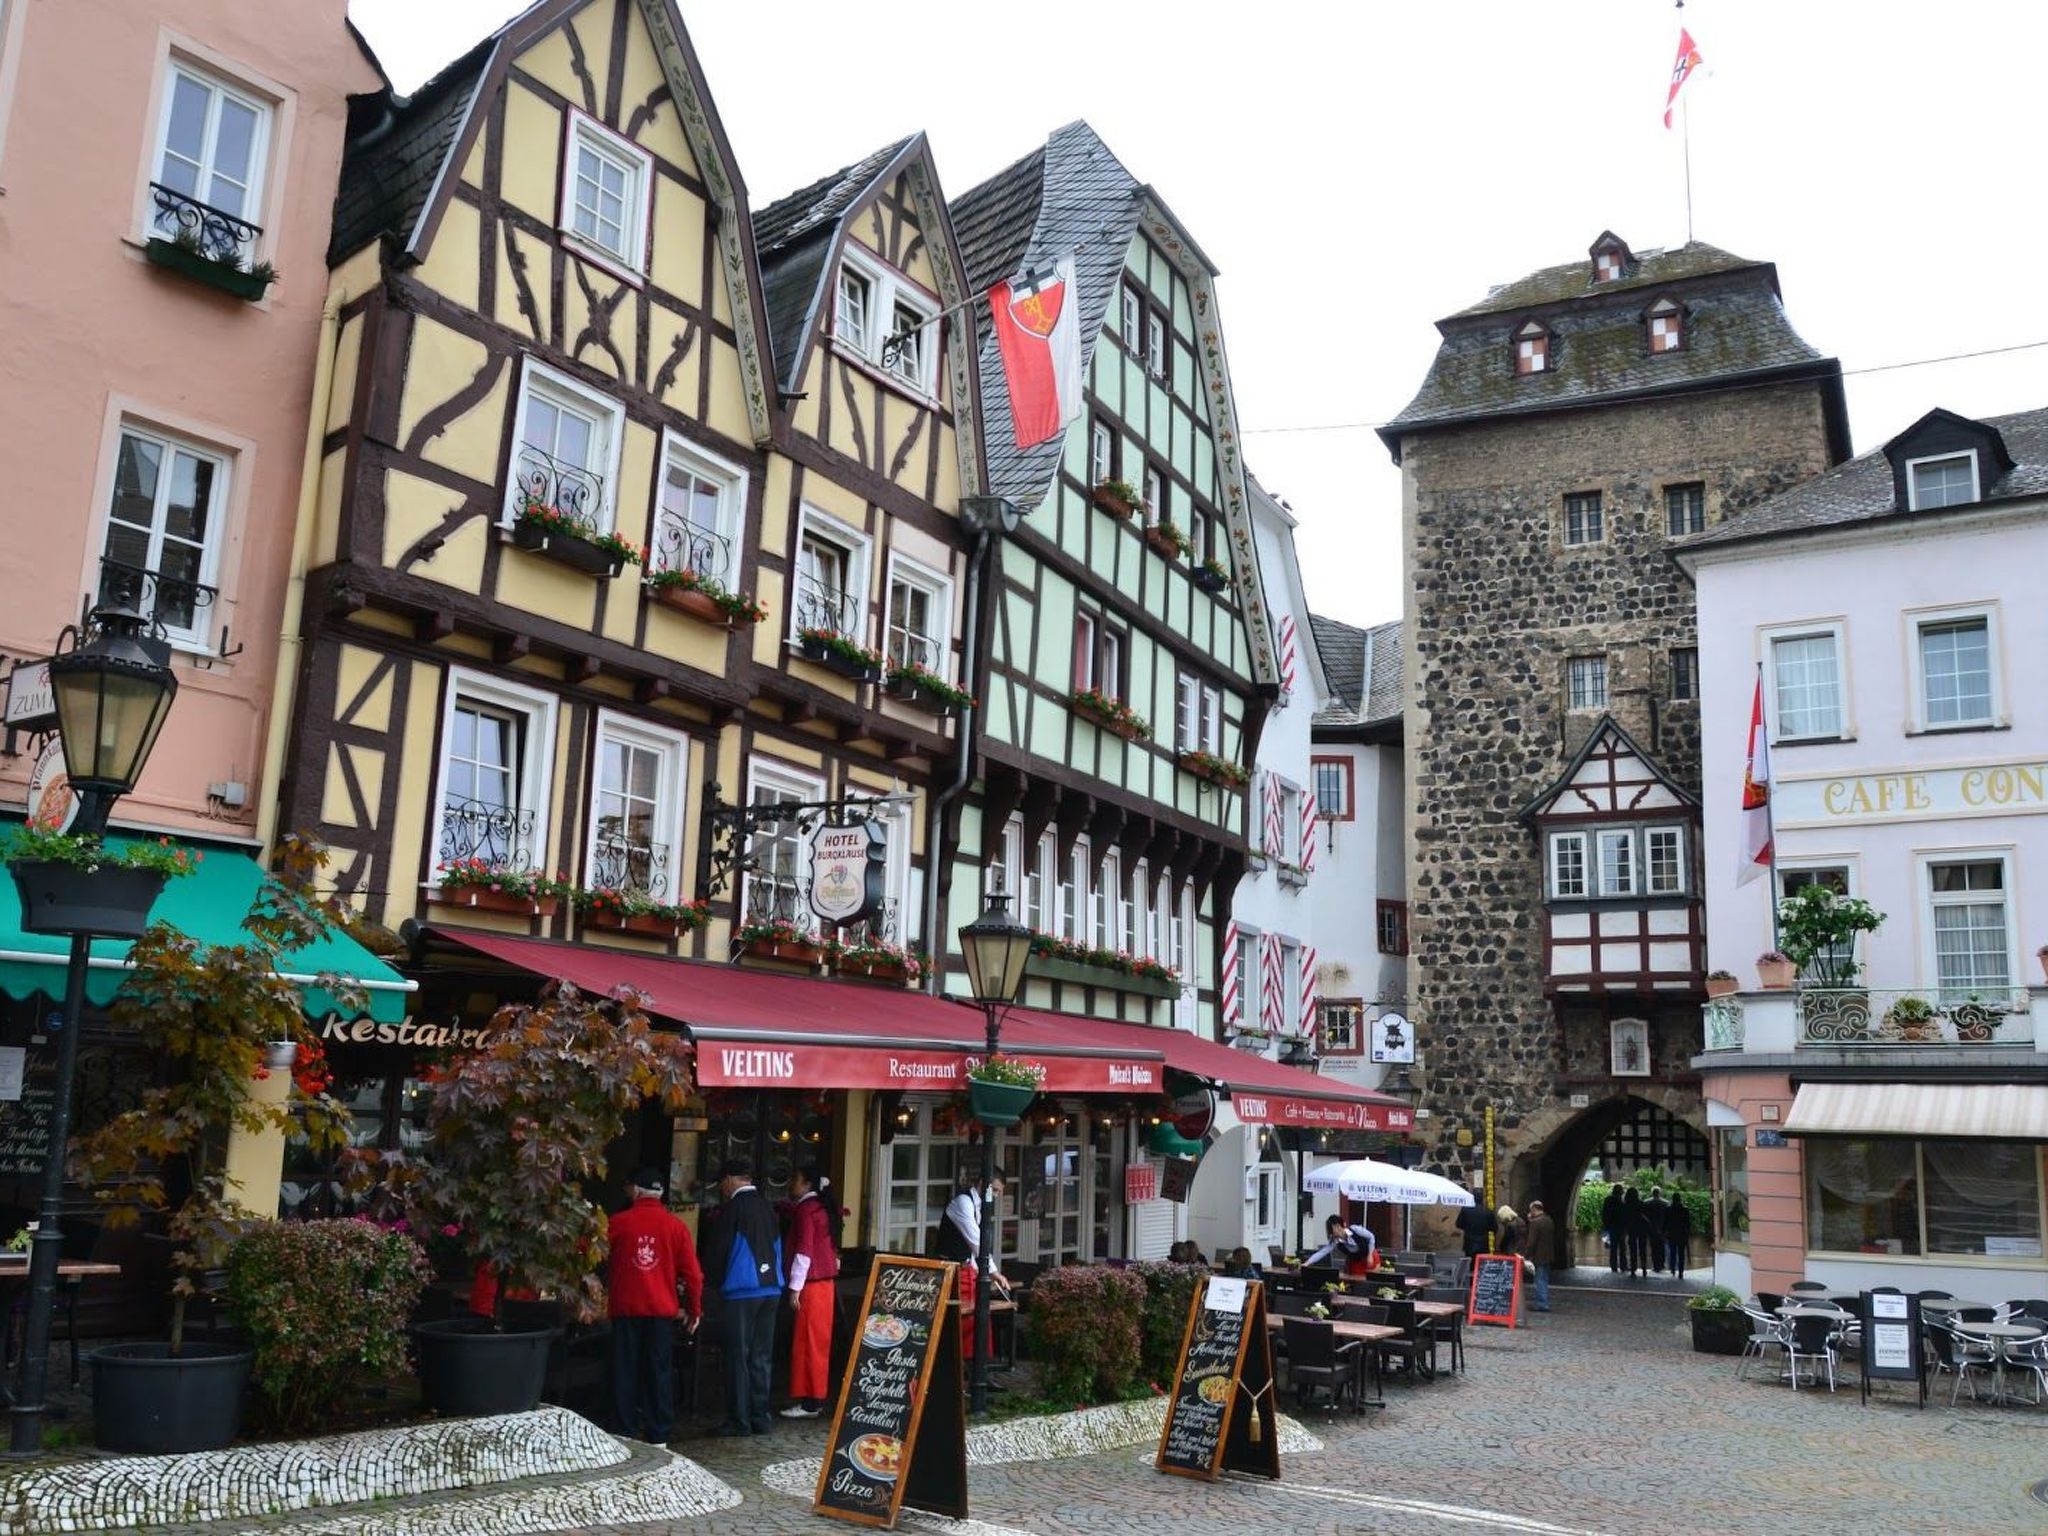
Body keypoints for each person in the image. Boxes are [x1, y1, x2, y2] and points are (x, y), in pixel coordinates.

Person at [606, 1168, 702, 1444]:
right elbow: (693, 1275)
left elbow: (591, 1253)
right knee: (659, 1371)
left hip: (626, 1309)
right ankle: (659, 1432)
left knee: (624, 1369)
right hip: (661, 1311)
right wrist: (694, 1309)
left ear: (636, 1190)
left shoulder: (618, 1223)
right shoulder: (676, 1227)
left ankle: (623, 1429)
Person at [700, 1157, 783, 1437]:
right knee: (761, 1356)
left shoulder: (733, 1209)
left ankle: (739, 1420)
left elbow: (718, 1252)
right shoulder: (767, 1206)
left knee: (737, 1356)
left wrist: (710, 1284)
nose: (721, 1188)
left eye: (722, 1182)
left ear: (729, 1180)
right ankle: (761, 1417)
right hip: (771, 1288)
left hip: (742, 1291)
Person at [778, 1163, 841, 1419]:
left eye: (796, 1179)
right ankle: (814, 1396)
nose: (792, 1184)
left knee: (807, 1343)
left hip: (811, 1285)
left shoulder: (806, 1211)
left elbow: (803, 1251)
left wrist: (794, 1288)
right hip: (826, 1284)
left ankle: (810, 1401)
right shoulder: (824, 1209)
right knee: (819, 1342)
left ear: (806, 1184)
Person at [942, 1174, 1009, 1362]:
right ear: (982, 1184)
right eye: (994, 1190)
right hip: (954, 1270)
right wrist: (993, 1272)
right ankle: (960, 1366)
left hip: (968, 1269)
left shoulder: (978, 1206)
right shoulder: (963, 1202)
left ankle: (976, 1365)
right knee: (964, 1321)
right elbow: (976, 1241)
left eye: (998, 1192)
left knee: (979, 1317)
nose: (995, 1196)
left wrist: (983, 1271)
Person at [1303, 1214, 1377, 1277]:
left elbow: (1371, 1237)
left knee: (1372, 1277)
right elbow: (1322, 1252)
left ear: (1340, 1225)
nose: (1336, 1230)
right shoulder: (1335, 1241)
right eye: (1333, 1228)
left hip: (1370, 1256)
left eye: (1337, 1226)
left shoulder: (1355, 1229)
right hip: (1356, 1261)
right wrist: (1307, 1263)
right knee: (1357, 1281)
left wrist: (1370, 1255)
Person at [1454, 1184, 1496, 1281]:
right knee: (1482, 1265)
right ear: (1482, 1198)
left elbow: (1458, 1224)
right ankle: (1481, 1283)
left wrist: (1468, 1227)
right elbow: (1494, 1228)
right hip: (1483, 1243)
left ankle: (1471, 1283)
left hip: (1469, 1242)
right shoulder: (1488, 1211)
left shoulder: (1466, 1209)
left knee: (1470, 1265)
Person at [1524, 1199, 1555, 1313]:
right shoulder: (1549, 1220)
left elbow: (1531, 1241)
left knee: (1539, 1280)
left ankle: (1542, 1303)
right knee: (1544, 1279)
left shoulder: (1535, 1223)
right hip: (1548, 1255)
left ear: (1534, 1209)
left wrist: (1526, 1255)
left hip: (1539, 1256)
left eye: (1531, 1210)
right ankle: (1543, 1301)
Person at [1620, 1187, 1649, 1278]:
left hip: (1631, 1228)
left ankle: (1633, 1269)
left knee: (1633, 1249)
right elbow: (1647, 1216)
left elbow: (1624, 1219)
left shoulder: (1626, 1205)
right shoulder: (1641, 1203)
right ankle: (1644, 1268)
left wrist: (1624, 1230)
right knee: (1642, 1249)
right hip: (1642, 1228)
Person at [1662, 1189, 1691, 1275]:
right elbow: (1688, 1223)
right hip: (1682, 1234)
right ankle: (1681, 1270)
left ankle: (1673, 1269)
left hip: (1672, 1234)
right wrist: (1687, 1233)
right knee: (1681, 1253)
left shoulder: (1668, 1209)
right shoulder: (1685, 1209)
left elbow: (1665, 1222)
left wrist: (1663, 1232)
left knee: (1672, 1252)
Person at [1600, 1182, 1625, 1273]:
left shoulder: (1608, 1199)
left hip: (1611, 1227)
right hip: (1620, 1227)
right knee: (1622, 1248)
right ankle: (1623, 1266)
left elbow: (1604, 1213)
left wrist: (1605, 1226)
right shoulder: (1621, 1201)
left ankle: (1614, 1266)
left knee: (1613, 1248)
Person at [1646, 1190, 1671, 1274]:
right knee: (1661, 1247)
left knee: (1654, 1247)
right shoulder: (1665, 1203)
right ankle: (1661, 1265)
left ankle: (1655, 1265)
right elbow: (1668, 1217)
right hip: (1662, 1229)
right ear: (1659, 1193)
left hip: (1651, 1229)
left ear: (1652, 1193)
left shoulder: (1647, 1203)